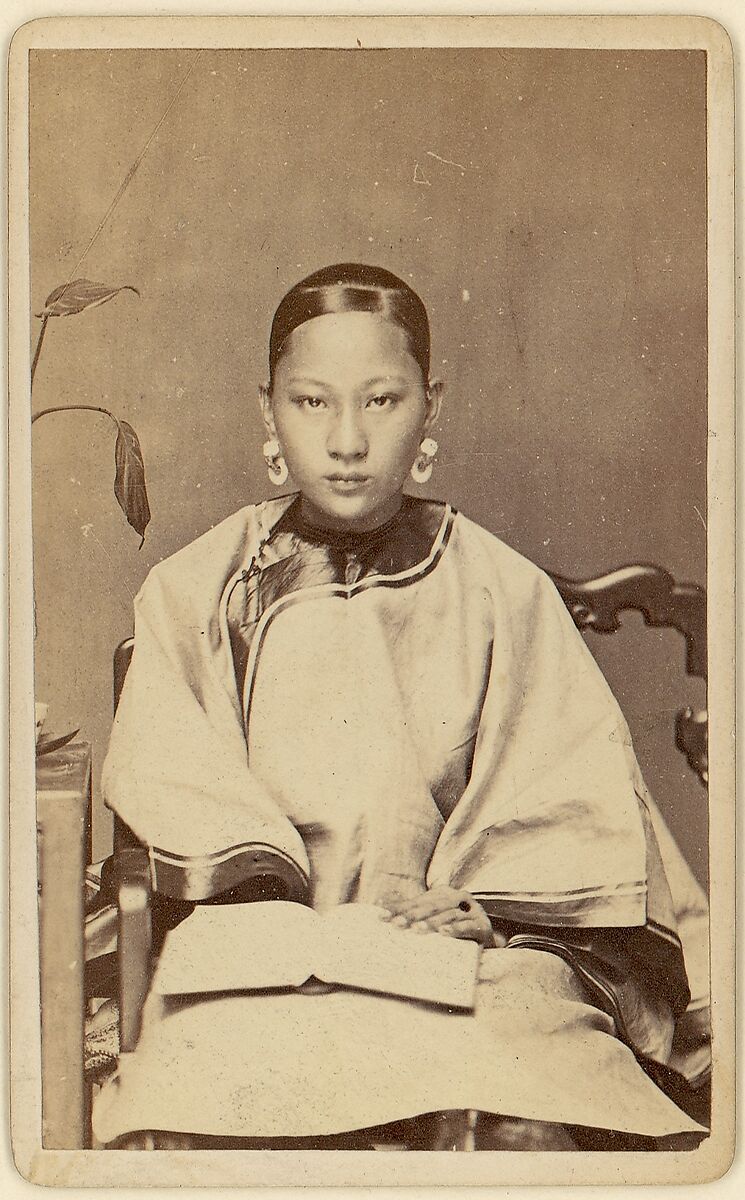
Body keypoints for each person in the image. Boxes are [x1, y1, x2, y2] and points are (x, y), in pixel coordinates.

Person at [92, 263, 710, 1150]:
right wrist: (279, 912)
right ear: (268, 410)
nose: (346, 439)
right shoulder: (194, 590)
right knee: (224, 1094)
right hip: (267, 956)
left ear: (431, 406)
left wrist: (494, 911)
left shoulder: (502, 589)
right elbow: (176, 786)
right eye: (312, 403)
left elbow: (566, 795)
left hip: (469, 959)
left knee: (529, 1114)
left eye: (380, 401)